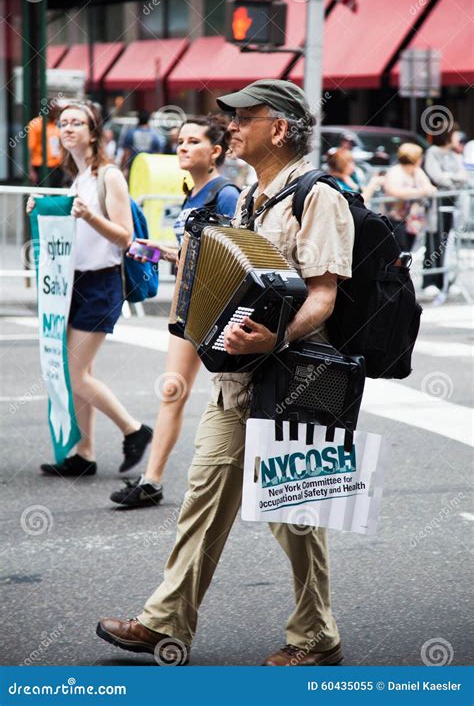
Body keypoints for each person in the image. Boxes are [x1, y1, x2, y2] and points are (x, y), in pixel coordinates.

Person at [97, 79, 354, 666]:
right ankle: (165, 625)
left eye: (244, 117)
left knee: (292, 516)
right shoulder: (244, 198)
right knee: (203, 498)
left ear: (280, 128)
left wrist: (275, 336)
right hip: (235, 380)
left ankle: (317, 636)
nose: (230, 127)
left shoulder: (318, 196)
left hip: (295, 382)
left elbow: (323, 296)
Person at [110, 114, 240, 508]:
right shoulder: (193, 192)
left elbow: (239, 254)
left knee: (236, 400)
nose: (182, 147)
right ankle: (151, 482)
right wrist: (165, 252)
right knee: (172, 390)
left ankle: (251, 480)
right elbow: (195, 252)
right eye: (180, 140)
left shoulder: (227, 193)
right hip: (185, 305)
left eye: (193, 141)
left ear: (214, 151)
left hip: (216, 310)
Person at [27, 99, 153, 478]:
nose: (67, 129)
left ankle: (134, 429)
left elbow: (125, 237)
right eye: (63, 123)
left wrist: (89, 215)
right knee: (80, 370)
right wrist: (45, 207)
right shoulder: (78, 178)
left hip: (100, 284)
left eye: (76, 123)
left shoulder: (108, 175)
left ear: (93, 132)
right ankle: (83, 453)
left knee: (74, 374)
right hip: (73, 282)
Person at [422, 123, 468, 293]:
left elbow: (463, 176)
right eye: (456, 133)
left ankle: (446, 281)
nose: (458, 137)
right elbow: (438, 176)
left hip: (453, 202)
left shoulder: (454, 154)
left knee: (449, 241)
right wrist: (452, 178)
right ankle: (430, 281)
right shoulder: (432, 152)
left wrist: (451, 177)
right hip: (438, 204)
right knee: (434, 240)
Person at [382, 143, 437, 252]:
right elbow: (393, 191)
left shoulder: (417, 171)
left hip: (412, 220)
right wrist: (420, 192)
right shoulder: (395, 171)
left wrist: (418, 192)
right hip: (395, 219)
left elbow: (431, 188)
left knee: (407, 251)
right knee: (398, 251)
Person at [28, 102, 63, 188]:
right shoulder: (35, 124)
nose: (56, 114)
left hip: (57, 166)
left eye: (57, 112)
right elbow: (29, 148)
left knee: (57, 195)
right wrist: (30, 170)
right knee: (43, 195)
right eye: (54, 111)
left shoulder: (57, 124)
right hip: (41, 167)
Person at [120, 110, 164, 178]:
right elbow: (158, 154)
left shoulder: (130, 133)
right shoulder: (154, 135)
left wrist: (123, 167)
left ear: (138, 120)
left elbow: (126, 153)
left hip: (134, 166)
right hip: (149, 167)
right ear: (148, 120)